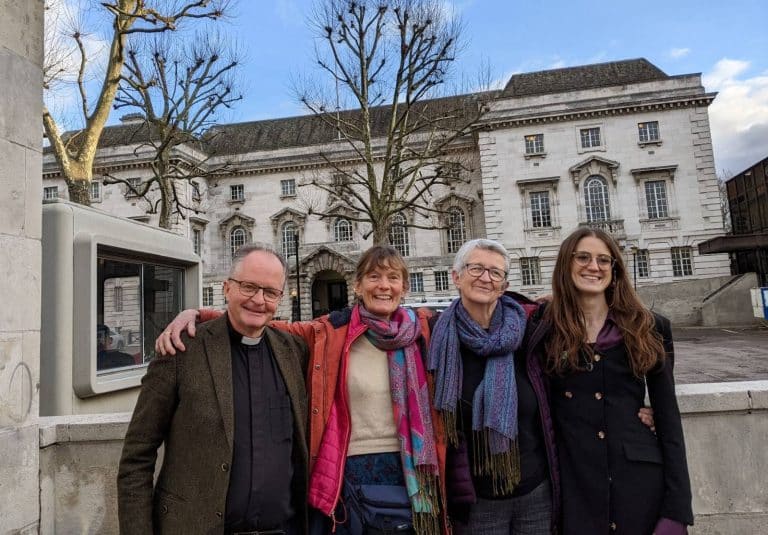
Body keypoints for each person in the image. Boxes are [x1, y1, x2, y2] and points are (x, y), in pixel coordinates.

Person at [158, 245, 450, 534]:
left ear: (405, 287)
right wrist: (196, 313)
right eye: (374, 277)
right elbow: (273, 324)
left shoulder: (426, 329)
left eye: (393, 278)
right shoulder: (330, 331)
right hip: (348, 471)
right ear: (357, 285)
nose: (384, 286)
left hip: (415, 468)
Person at [117, 244, 310, 534]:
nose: (259, 300)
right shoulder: (181, 349)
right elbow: (136, 457)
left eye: (270, 292)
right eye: (248, 287)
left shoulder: (294, 352)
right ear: (226, 288)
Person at [525, 228, 693, 535]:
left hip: (640, 485)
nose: (594, 266)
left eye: (605, 260)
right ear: (566, 263)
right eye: (583, 257)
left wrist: (677, 510)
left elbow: (669, 423)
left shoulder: (650, 327)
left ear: (614, 269)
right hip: (575, 486)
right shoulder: (543, 326)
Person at [427, 239, 558, 535]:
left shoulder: (530, 331)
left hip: (535, 491)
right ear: (456, 277)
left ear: (504, 284)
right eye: (476, 268)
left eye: (495, 273)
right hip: (475, 500)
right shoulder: (436, 336)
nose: (485, 278)